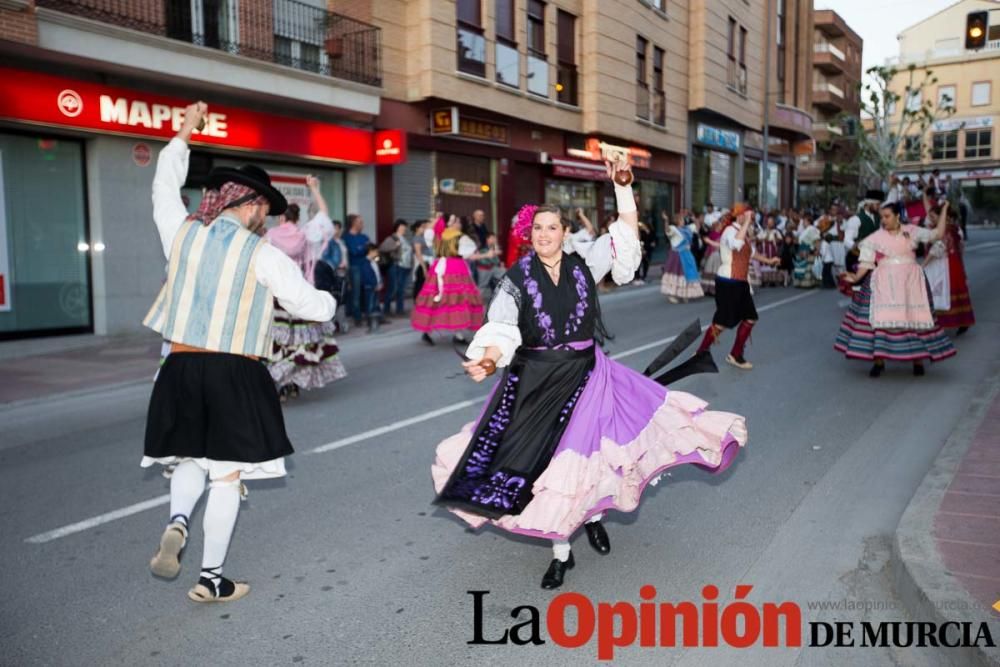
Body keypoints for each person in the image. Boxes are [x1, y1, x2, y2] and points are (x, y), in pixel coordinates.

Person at [431, 160, 747, 589]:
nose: (544, 234)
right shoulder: (517, 279)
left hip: (588, 376)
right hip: (537, 382)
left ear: (565, 232)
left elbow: (624, 232)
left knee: (588, 455)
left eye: (552, 227)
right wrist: (487, 361)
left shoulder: (585, 263)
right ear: (530, 235)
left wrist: (622, 188)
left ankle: (593, 515)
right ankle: (563, 553)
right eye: (537, 229)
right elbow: (502, 329)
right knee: (550, 467)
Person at [143, 103, 335, 602]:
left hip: (179, 365)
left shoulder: (181, 232)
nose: (263, 220)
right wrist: (331, 296)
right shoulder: (262, 253)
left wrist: (184, 131)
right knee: (226, 474)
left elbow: (163, 185)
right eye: (263, 212)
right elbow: (308, 306)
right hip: (234, 370)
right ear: (250, 206)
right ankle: (210, 579)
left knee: (190, 455)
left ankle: (179, 519)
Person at [835, 199, 957, 377]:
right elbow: (866, 263)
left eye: (887, 216)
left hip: (911, 281)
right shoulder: (874, 238)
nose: (883, 220)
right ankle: (878, 361)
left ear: (897, 216)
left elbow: (937, 234)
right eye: (881, 217)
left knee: (914, 321)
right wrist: (854, 277)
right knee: (878, 322)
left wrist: (945, 208)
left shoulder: (912, 231)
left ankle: (918, 360)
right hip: (883, 281)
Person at [265, 206, 347, 401]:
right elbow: (325, 219)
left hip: (279, 296)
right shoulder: (306, 235)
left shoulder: (272, 235)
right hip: (302, 294)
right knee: (302, 341)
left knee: (281, 341)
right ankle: (292, 384)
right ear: (297, 218)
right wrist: (315, 189)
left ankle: (282, 382)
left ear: (282, 217)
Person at [693, 204, 780, 370]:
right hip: (728, 281)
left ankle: (735, 354)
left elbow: (751, 253)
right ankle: (701, 352)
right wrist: (747, 222)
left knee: (750, 317)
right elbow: (736, 245)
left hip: (740, 282)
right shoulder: (729, 231)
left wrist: (769, 261)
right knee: (722, 322)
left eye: (751, 216)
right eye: (748, 215)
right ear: (739, 215)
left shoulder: (742, 231)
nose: (751, 219)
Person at [411, 215, 485, 345]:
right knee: (456, 300)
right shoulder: (458, 237)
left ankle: (456, 334)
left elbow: (429, 232)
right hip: (454, 268)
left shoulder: (441, 235)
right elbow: (470, 255)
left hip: (443, 268)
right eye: (455, 221)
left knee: (447, 300)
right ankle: (454, 335)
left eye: (457, 221)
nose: (458, 223)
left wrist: (436, 220)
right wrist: (487, 255)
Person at [928, 206, 975, 334]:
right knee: (952, 293)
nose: (930, 219)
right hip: (955, 263)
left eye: (933, 216)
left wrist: (924, 264)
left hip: (946, 265)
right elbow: (961, 247)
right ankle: (962, 321)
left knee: (945, 294)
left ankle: (943, 322)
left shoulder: (945, 230)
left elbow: (938, 249)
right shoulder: (953, 228)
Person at [660, 212, 704, 303]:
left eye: (683, 219)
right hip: (677, 255)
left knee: (688, 274)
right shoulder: (674, 229)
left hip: (687, 254)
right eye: (681, 219)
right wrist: (666, 220)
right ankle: (672, 294)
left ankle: (684, 293)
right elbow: (667, 230)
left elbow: (697, 227)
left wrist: (695, 219)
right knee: (677, 273)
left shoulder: (687, 229)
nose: (683, 221)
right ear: (677, 221)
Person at [379, 219, 414, 316]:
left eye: (405, 227)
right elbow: (382, 248)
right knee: (393, 288)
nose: (404, 229)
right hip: (396, 266)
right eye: (402, 227)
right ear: (397, 227)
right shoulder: (392, 238)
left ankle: (400, 310)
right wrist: (395, 246)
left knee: (401, 289)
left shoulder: (404, 238)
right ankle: (386, 309)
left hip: (405, 267)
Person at [343, 214, 370, 326]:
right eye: (360, 222)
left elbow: (372, 250)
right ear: (353, 223)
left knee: (368, 291)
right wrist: (364, 248)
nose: (362, 224)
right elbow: (354, 252)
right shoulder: (346, 237)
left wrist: (363, 249)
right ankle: (357, 317)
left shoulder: (364, 237)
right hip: (354, 268)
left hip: (366, 266)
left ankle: (369, 314)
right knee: (356, 294)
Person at [361, 243, 386, 332]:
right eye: (376, 251)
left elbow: (378, 274)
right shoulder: (365, 263)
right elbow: (367, 276)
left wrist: (381, 282)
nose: (377, 253)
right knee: (370, 305)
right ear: (370, 252)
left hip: (376, 286)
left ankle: (376, 321)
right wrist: (373, 285)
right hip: (370, 287)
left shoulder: (374, 261)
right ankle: (371, 323)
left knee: (375, 304)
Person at [756, 214, 786, 287]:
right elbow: (757, 239)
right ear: (767, 223)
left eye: (772, 222)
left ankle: (772, 281)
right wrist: (763, 239)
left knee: (772, 264)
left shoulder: (776, 231)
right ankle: (764, 281)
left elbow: (780, 240)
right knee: (764, 264)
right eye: (769, 222)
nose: (770, 224)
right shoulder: (763, 231)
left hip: (773, 249)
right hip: (764, 249)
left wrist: (776, 239)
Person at [699, 219, 724, 295]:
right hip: (715, 255)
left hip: (710, 254)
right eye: (720, 226)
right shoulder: (718, 235)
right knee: (715, 272)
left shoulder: (711, 234)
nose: (721, 227)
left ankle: (706, 289)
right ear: (717, 227)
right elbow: (718, 246)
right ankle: (713, 290)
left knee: (708, 271)